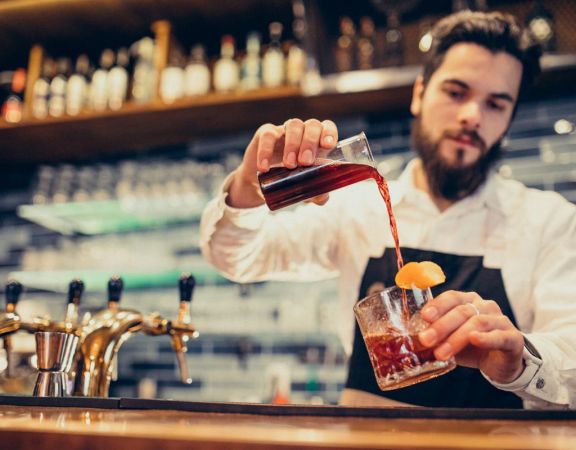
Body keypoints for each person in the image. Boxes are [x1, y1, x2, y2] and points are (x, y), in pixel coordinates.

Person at [199, 10, 576, 409]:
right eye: (455, 92)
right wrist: (246, 185)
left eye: (496, 104)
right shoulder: (357, 207)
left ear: (509, 119)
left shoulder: (550, 221)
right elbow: (235, 257)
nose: (472, 116)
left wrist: (519, 361)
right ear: (419, 93)